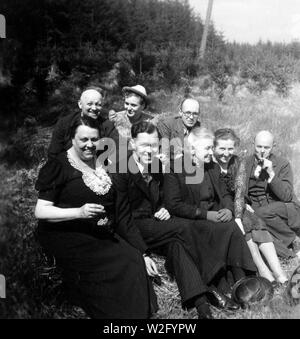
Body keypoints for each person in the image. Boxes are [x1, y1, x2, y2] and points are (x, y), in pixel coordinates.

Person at [111, 121, 241, 320]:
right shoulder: (120, 169)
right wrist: (142, 252)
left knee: (177, 247)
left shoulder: (155, 166)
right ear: (132, 144)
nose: (150, 150)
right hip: (133, 227)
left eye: (154, 145)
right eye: (145, 145)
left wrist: (163, 207)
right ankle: (215, 285)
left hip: (156, 224)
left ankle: (202, 306)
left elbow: (164, 198)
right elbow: (121, 218)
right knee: (186, 227)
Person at [35, 116, 157, 319]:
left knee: (132, 258)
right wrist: (78, 212)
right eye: (84, 140)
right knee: (103, 270)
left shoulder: (103, 163)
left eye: (94, 140)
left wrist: (144, 253)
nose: (89, 145)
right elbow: (41, 211)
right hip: (68, 234)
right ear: (72, 139)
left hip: (99, 232)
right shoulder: (59, 166)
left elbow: (120, 211)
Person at [164, 127, 257, 293]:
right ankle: (225, 283)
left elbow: (225, 193)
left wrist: (229, 209)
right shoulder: (175, 168)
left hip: (214, 214)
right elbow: (173, 204)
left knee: (231, 226)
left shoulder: (212, 167)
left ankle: (243, 279)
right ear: (192, 149)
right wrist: (205, 214)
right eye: (207, 148)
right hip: (192, 219)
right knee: (220, 229)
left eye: (211, 147)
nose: (211, 151)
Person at [213, 128, 288, 285]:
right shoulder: (210, 163)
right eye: (222, 149)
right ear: (213, 147)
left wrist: (240, 211)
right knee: (242, 226)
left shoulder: (237, 162)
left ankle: (279, 273)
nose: (226, 153)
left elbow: (240, 190)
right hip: (217, 206)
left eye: (230, 149)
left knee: (255, 222)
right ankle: (263, 269)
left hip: (237, 203)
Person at [242, 130, 300, 258]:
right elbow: (240, 190)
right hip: (256, 208)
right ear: (253, 144)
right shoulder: (245, 163)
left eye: (266, 147)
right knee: (253, 227)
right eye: (259, 147)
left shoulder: (282, 163)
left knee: (260, 214)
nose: (262, 151)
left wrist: (271, 175)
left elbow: (287, 196)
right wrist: (244, 205)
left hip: (281, 206)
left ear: (274, 146)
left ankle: (292, 240)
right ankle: (288, 255)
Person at [47, 87, 119, 160]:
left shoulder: (108, 126)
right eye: (89, 104)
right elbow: (54, 153)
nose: (94, 108)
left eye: (98, 105)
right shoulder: (65, 123)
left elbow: (118, 152)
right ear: (80, 104)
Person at [157, 97, 201, 165]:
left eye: (195, 114)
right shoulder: (166, 125)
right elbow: (164, 154)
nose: (191, 117)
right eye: (188, 113)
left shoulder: (198, 127)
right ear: (180, 112)